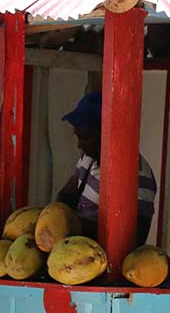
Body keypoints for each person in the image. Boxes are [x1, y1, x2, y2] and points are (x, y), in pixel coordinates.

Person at [55, 92, 157, 243]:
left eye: (85, 139)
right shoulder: (89, 157)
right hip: (70, 247)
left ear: (107, 135)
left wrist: (74, 227)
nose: (79, 145)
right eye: (78, 137)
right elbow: (67, 193)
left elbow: (135, 239)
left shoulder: (138, 179)